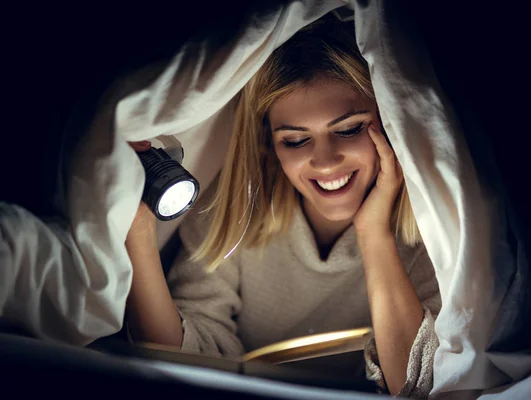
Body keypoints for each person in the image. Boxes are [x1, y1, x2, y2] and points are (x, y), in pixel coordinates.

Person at [124, 17, 441, 398]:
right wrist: (137, 230)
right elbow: (178, 357)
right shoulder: (233, 215)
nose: (325, 162)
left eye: (348, 130)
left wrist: (373, 234)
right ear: (271, 146)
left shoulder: (431, 232)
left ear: (388, 127)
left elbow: (420, 388)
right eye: (295, 140)